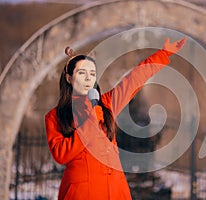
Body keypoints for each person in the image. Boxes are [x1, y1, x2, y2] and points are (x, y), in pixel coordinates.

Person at [45, 37, 186, 200]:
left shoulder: (105, 104)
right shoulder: (55, 116)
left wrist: (162, 54)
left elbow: (134, 80)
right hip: (82, 192)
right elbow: (61, 155)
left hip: (115, 189)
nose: (88, 78)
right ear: (69, 78)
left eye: (92, 73)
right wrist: (91, 121)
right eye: (81, 73)